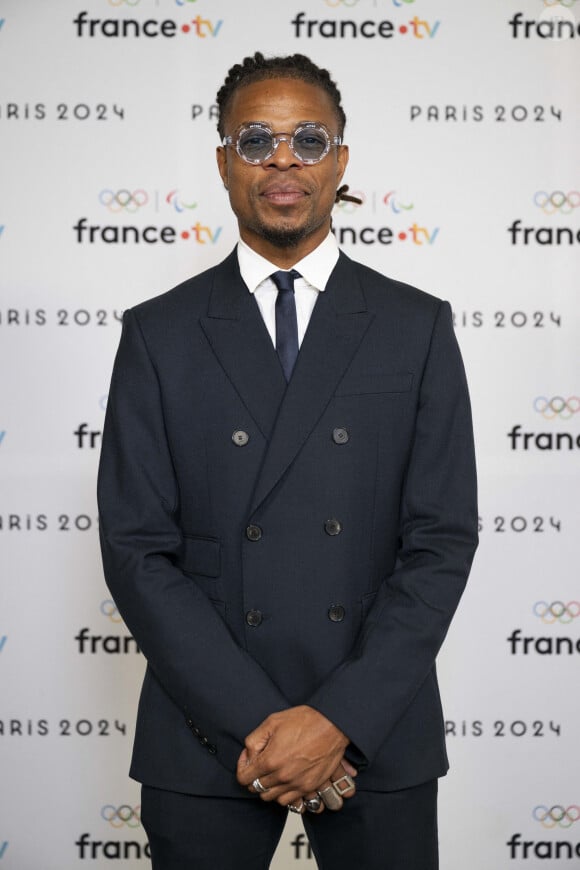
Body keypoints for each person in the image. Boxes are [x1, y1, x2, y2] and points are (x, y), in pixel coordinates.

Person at [97, 52, 478, 870]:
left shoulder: (416, 327)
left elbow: (442, 540)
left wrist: (336, 722)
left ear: (340, 162)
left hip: (373, 733)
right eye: (256, 140)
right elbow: (137, 550)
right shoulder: (158, 333)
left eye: (309, 140)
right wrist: (264, 727)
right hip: (209, 735)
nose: (282, 160)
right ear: (224, 164)